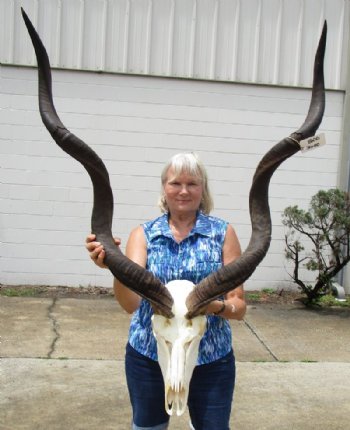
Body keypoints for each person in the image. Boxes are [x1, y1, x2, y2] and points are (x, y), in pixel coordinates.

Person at [86, 152, 246, 430]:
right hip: (149, 353)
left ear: (203, 189)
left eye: (193, 183)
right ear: (164, 188)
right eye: (175, 183)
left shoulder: (223, 233)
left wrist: (215, 307)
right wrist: (114, 265)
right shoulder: (144, 234)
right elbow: (131, 304)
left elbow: (238, 306)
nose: (184, 191)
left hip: (211, 357)